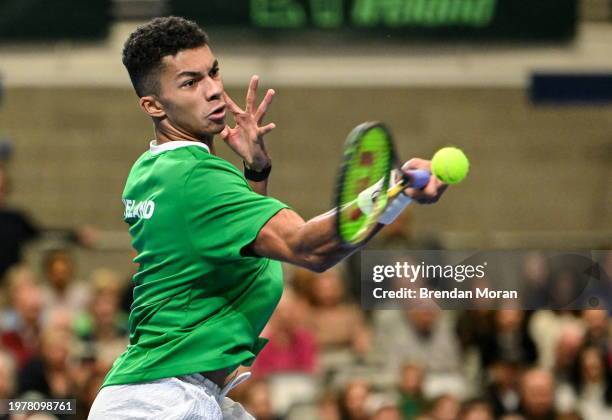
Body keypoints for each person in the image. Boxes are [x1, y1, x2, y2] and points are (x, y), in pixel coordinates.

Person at [88, 16, 447, 420]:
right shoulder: (196, 178)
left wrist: (255, 173)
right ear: (153, 105)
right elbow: (310, 248)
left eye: (214, 72)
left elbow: (240, 249)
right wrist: (394, 189)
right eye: (190, 83)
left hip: (167, 393)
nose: (214, 91)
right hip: (162, 403)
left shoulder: (149, 170)